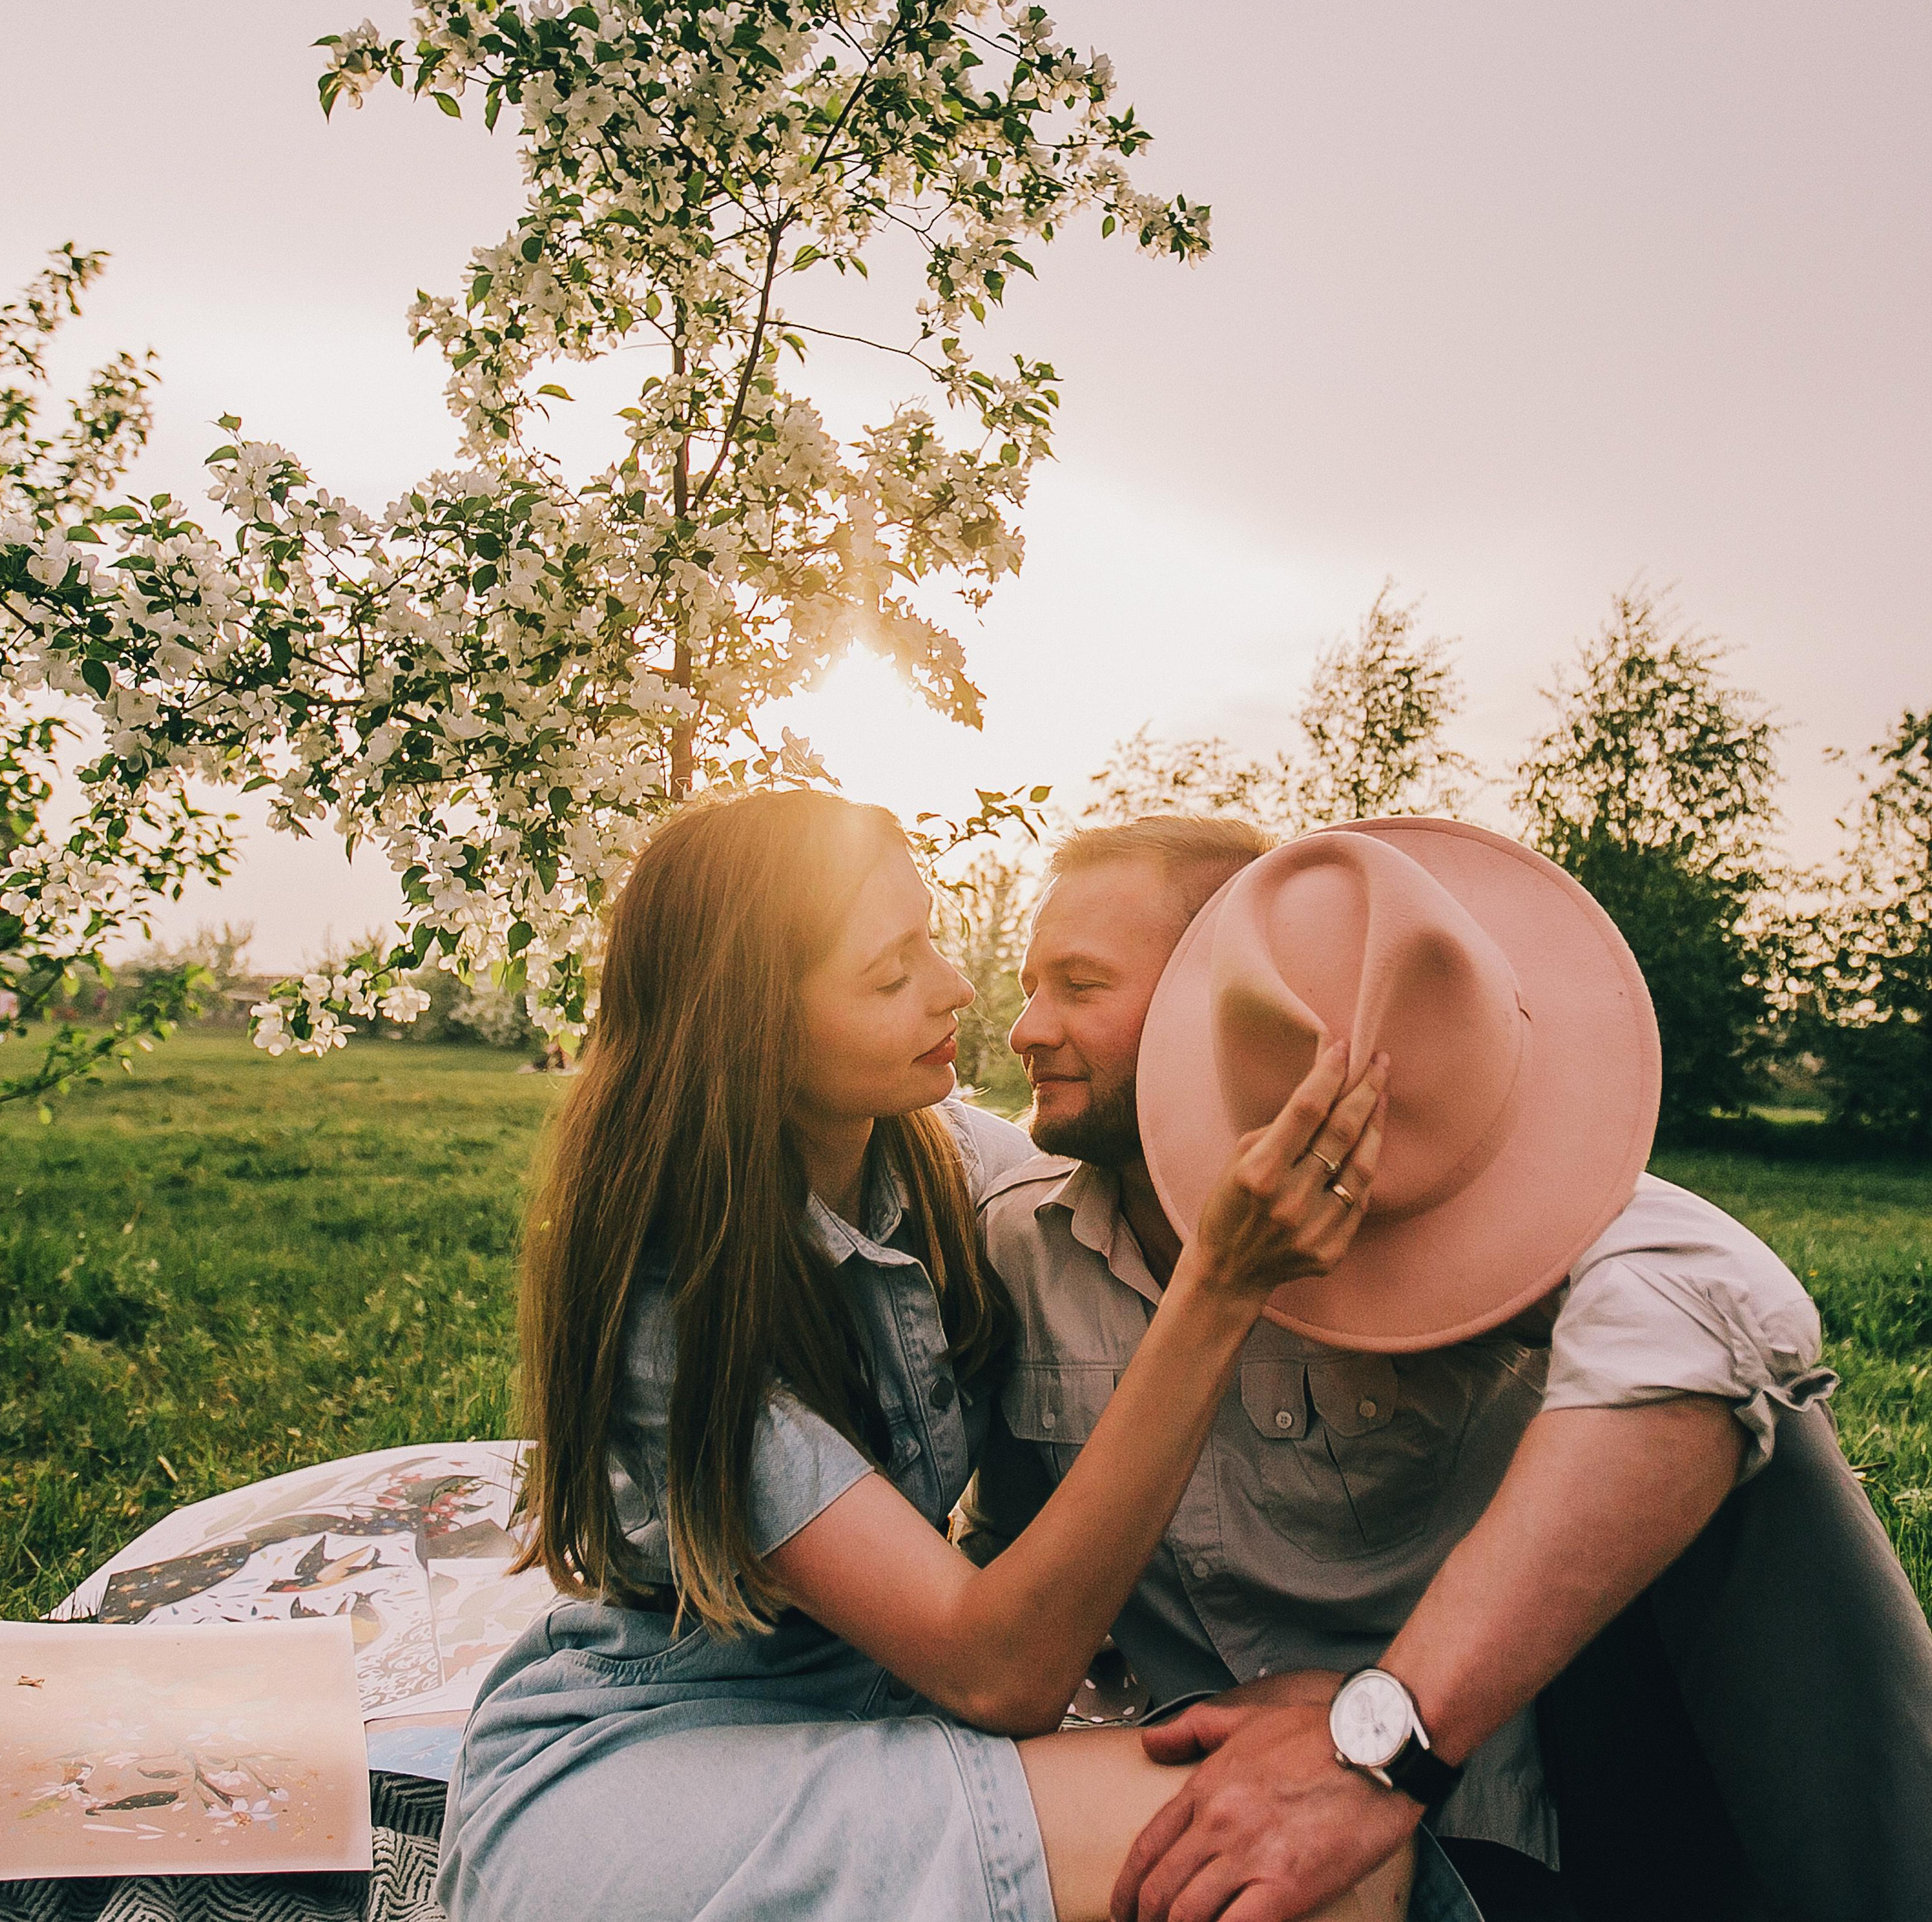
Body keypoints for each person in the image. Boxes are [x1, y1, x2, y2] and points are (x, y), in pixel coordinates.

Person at [436, 789, 1476, 1922]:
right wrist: (1220, 1285)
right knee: (1316, 1848)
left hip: (873, 1716)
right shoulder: (676, 1310)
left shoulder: (936, 1165)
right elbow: (1000, 1670)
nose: (958, 989)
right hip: (660, 1770)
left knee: (1317, 1828)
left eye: (929, 935)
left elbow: (1140, 1146)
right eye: (891, 974)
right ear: (756, 1029)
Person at [962, 814, 1932, 1922]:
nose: (1026, 1027)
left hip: (1472, 1803)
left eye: (1078, 985)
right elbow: (1009, 1555)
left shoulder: (1450, 1212)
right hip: (1197, 1812)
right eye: (1031, 982)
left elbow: (1718, 1297)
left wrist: (1379, 1735)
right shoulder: (1014, 1242)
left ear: (1206, 992)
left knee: (1766, 1438)